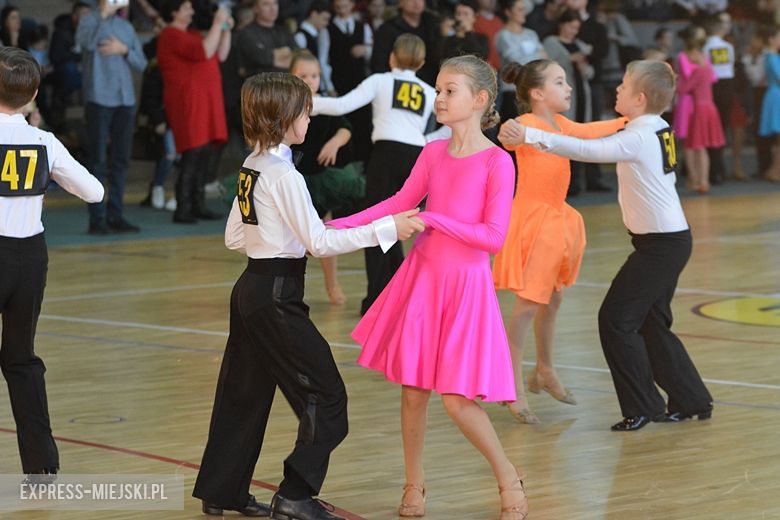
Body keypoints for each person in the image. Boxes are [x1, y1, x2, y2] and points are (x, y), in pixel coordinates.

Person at [192, 72, 422, 520]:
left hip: (251, 289)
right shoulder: (284, 175)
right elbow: (318, 244)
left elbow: (234, 238)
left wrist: (281, 239)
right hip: (276, 295)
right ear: (283, 117)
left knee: (243, 393)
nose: (310, 118)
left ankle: (222, 491)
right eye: (305, 111)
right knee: (328, 396)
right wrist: (387, 229)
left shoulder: (252, 166)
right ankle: (296, 495)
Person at [327, 55, 528, 519]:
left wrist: (434, 219)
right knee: (413, 390)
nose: (437, 98)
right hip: (422, 281)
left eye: (448, 90)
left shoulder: (498, 162)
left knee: (458, 400)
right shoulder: (432, 152)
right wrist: (335, 232)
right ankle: (414, 483)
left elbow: (493, 237)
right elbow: (398, 203)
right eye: (438, 89)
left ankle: (507, 473)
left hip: (465, 287)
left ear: (479, 100)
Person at [499, 59, 714, 432]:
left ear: (641, 98)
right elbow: (588, 132)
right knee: (651, 322)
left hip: (660, 245)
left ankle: (644, 407)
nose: (616, 89)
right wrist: (519, 130)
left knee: (615, 321)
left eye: (624, 86)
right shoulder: (653, 125)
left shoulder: (638, 135)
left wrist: (530, 136)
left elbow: (589, 149)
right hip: (667, 240)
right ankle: (692, 399)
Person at [492, 59, 625, 424]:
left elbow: (590, 130)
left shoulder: (559, 124)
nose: (568, 88)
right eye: (560, 82)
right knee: (528, 306)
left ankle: (545, 370)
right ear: (537, 93)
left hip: (557, 218)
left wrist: (631, 120)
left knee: (552, 297)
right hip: (535, 220)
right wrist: (509, 128)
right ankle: (511, 384)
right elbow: (509, 133)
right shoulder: (529, 124)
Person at [0, 47, 104, 481]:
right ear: (34, 94)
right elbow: (95, 192)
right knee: (21, 359)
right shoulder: (44, 142)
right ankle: (41, 463)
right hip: (28, 259)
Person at [312, 34, 435, 315]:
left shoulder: (380, 81)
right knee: (397, 228)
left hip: (386, 157)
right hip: (417, 159)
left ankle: (378, 301)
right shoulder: (429, 91)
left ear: (392, 57)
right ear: (421, 62)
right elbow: (435, 129)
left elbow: (342, 105)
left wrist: (309, 101)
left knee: (379, 227)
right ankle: (397, 296)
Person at [290, 50, 366, 305]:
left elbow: (346, 127)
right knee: (290, 235)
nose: (310, 81)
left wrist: (334, 143)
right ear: (291, 77)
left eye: (314, 76)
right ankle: (290, 287)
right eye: (303, 76)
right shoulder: (286, 105)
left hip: (320, 179)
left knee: (324, 230)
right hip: (291, 177)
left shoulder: (325, 104)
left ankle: (332, 283)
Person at [157, 0, 232, 223]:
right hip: (188, 101)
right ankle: (183, 207)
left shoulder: (191, 34)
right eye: (186, 7)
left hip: (203, 100)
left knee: (204, 151)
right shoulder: (170, 35)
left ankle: (197, 205)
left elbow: (220, 54)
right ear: (174, 12)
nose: (191, 11)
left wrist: (225, 28)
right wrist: (218, 24)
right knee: (193, 151)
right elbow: (204, 51)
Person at [76, 0, 147, 234]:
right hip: (98, 98)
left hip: (125, 99)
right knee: (98, 160)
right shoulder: (88, 20)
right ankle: (97, 218)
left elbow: (142, 62)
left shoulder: (126, 27)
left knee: (121, 159)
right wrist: (102, 15)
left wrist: (124, 50)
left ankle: (116, 214)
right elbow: (85, 44)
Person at [676, 24, 724, 194]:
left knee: (698, 145)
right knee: (701, 146)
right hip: (710, 107)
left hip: (700, 109)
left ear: (696, 53)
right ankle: (702, 180)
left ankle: (700, 179)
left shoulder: (698, 71)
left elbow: (683, 89)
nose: (690, 57)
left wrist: (677, 81)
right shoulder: (708, 69)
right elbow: (713, 80)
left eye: (693, 54)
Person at [758, 24, 780, 182]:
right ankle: (775, 170)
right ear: (771, 39)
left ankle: (774, 170)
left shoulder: (771, 56)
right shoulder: (771, 57)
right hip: (776, 95)